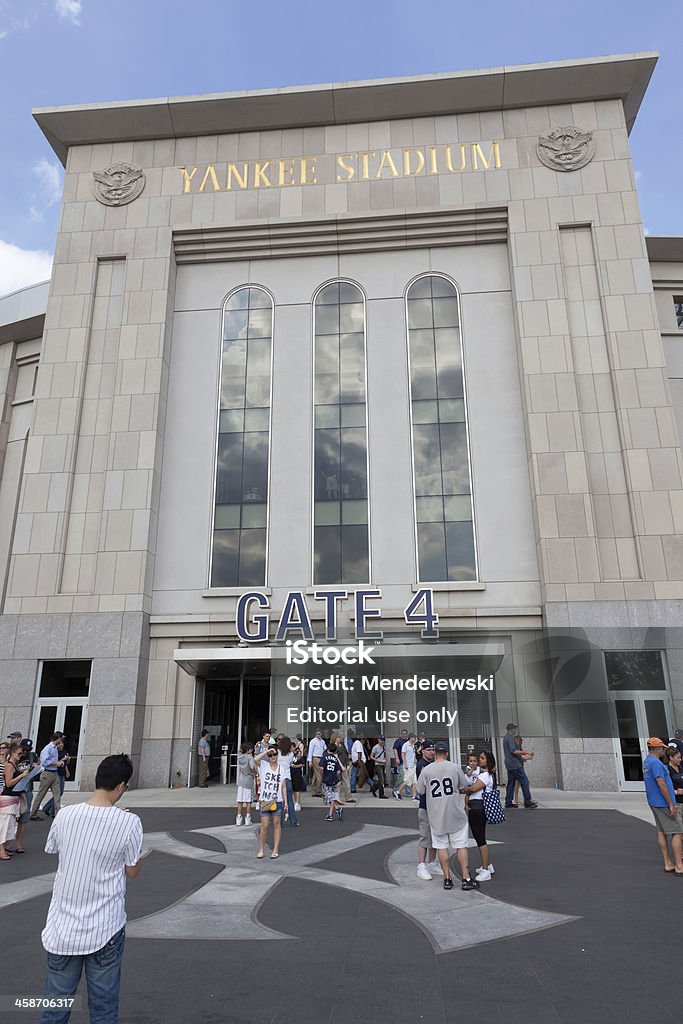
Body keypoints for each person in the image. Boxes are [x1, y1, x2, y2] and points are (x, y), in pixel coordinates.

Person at [39, 753, 143, 1024]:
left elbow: (53, 848)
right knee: (104, 1010)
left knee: (54, 1008)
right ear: (121, 786)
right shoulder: (129, 822)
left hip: (63, 927)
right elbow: (132, 870)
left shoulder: (65, 814)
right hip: (105, 926)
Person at [416, 741, 479, 891]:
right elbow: (463, 786)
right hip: (455, 813)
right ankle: (466, 878)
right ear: (447, 753)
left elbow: (420, 790)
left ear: (435, 752)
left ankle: (447, 879)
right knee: (461, 846)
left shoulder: (427, 770)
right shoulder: (455, 767)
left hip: (436, 815)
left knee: (441, 846)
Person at [643, 737, 683, 874]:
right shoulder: (656, 764)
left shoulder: (647, 762)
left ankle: (668, 862)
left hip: (654, 802)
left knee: (661, 831)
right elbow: (661, 784)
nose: (663, 750)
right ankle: (679, 865)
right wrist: (671, 804)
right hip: (662, 803)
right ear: (657, 748)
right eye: (662, 748)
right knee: (677, 831)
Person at [465, 750, 497, 882]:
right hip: (479, 807)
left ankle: (485, 870)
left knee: (480, 839)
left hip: (478, 808)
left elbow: (473, 788)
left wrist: (463, 789)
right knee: (480, 837)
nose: (480, 760)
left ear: (488, 761)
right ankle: (487, 865)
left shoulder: (484, 776)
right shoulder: (488, 775)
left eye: (482, 758)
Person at [415, 739, 439, 880]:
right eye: (428, 750)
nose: (431, 752)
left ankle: (432, 862)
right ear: (422, 751)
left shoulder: (433, 765)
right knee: (425, 836)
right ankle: (421, 865)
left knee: (435, 836)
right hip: (425, 806)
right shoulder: (422, 765)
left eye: (433, 750)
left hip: (435, 806)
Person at [254, 743, 283, 859]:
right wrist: (266, 751)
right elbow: (255, 759)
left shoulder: (282, 768)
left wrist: (285, 800)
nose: (273, 757)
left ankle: (275, 849)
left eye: (274, 754)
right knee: (264, 825)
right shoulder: (264, 765)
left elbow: (284, 785)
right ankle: (261, 849)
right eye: (271, 755)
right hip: (265, 800)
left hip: (277, 800)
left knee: (276, 824)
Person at [0, 741, 27, 860]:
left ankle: (4, 847)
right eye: (19, 753)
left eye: (22, 754)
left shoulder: (14, 765)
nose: (21, 755)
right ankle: (1, 850)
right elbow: (8, 783)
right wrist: (21, 776)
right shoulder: (9, 765)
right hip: (8, 797)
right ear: (12, 753)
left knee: (10, 825)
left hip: (13, 797)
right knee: (4, 825)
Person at [30, 733, 66, 819]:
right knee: (41, 794)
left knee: (57, 794)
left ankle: (58, 815)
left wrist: (60, 762)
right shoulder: (48, 748)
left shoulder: (55, 748)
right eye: (61, 739)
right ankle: (33, 813)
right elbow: (44, 761)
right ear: (58, 738)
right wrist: (56, 763)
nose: (61, 741)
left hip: (55, 773)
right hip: (47, 774)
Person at [503, 723, 537, 809]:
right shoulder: (510, 738)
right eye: (514, 729)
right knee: (524, 781)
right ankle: (527, 801)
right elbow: (513, 751)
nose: (515, 730)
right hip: (515, 764)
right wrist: (526, 752)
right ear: (511, 729)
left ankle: (508, 801)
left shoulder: (505, 738)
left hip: (509, 764)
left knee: (511, 783)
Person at [44, 739, 70, 818]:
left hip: (62, 773)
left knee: (60, 793)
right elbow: (55, 762)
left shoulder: (65, 752)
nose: (61, 745)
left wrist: (67, 769)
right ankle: (52, 811)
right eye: (59, 744)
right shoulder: (55, 753)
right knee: (57, 793)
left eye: (62, 743)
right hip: (56, 773)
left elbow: (65, 764)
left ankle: (47, 807)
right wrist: (63, 759)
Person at [320, 742, 345, 822]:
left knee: (329, 798)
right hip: (334, 779)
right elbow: (339, 771)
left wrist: (322, 776)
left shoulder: (324, 757)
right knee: (332, 797)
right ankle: (337, 809)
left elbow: (321, 769)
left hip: (326, 779)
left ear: (328, 749)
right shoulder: (335, 759)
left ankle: (330, 815)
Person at [278, 735, 299, 827]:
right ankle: (293, 821)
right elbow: (291, 763)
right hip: (288, 778)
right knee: (290, 800)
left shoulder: (277, 753)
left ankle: (280, 822)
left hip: (279, 778)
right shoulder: (291, 755)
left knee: (280, 801)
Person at [395, 733, 418, 801]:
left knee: (414, 782)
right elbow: (403, 755)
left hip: (413, 765)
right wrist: (405, 764)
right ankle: (398, 792)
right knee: (407, 781)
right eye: (414, 738)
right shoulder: (405, 745)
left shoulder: (413, 745)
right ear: (410, 738)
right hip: (408, 766)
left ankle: (414, 796)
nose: (415, 740)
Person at [236, 742, 255, 826]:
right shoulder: (250, 757)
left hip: (241, 780)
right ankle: (248, 818)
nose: (252, 750)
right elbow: (252, 767)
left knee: (240, 801)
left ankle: (239, 818)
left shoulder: (240, 756)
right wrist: (254, 773)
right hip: (248, 780)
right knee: (248, 801)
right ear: (248, 750)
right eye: (251, 749)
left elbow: (240, 750)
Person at [307, 729, 326, 797]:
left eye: (320, 733)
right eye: (317, 733)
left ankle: (314, 790)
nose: (318, 735)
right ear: (315, 733)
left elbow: (325, 750)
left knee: (316, 775)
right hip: (315, 758)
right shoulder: (313, 741)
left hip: (321, 758)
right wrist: (310, 761)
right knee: (319, 775)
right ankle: (318, 791)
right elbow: (310, 751)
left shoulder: (322, 741)